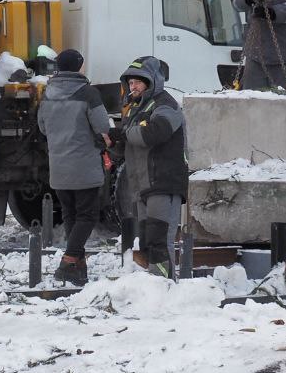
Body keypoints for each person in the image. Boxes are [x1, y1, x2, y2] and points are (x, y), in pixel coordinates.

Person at [108, 58, 187, 278]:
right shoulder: (134, 109)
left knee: (159, 242)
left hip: (163, 182)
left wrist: (124, 133)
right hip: (142, 186)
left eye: (138, 82)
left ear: (151, 82)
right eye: (130, 83)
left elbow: (156, 132)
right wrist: (112, 143)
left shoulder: (165, 104)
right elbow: (130, 145)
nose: (133, 87)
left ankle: (165, 286)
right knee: (146, 242)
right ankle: (151, 288)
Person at [36, 48, 109, 286]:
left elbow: (43, 127)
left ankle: (78, 266)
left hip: (58, 165)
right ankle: (68, 262)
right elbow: (102, 126)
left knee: (70, 214)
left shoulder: (47, 94)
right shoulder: (88, 93)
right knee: (87, 215)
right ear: (79, 66)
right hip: (84, 166)